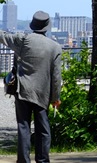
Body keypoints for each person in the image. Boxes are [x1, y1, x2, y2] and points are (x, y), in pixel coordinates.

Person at [0, 11, 62, 163]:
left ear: (32, 25)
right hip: (42, 93)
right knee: (43, 129)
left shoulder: (23, 39)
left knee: (23, 127)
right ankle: (42, 160)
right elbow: (56, 76)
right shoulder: (55, 47)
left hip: (23, 90)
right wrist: (56, 98)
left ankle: (23, 160)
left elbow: (3, 36)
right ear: (47, 27)